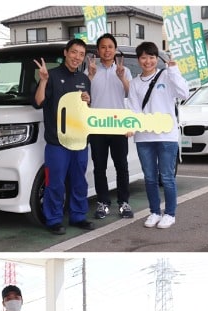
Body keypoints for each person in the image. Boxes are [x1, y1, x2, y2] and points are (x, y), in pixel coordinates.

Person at [34, 38, 95, 235]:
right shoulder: (50, 76)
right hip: (57, 142)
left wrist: (88, 100)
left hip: (79, 140)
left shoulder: (83, 80)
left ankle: (78, 216)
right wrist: (43, 80)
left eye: (81, 54)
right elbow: (38, 102)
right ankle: (53, 219)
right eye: (74, 52)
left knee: (79, 181)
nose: (77, 57)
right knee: (55, 183)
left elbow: (85, 110)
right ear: (65, 53)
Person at [128, 41, 189, 229]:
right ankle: (154, 212)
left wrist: (174, 70)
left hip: (166, 136)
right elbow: (133, 109)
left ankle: (170, 214)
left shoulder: (167, 76)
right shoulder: (135, 83)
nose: (148, 61)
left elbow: (184, 93)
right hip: (144, 138)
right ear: (139, 60)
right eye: (144, 57)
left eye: (152, 57)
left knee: (167, 177)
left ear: (157, 59)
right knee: (150, 177)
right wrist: (131, 127)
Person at [86, 33, 134, 220]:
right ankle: (103, 203)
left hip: (118, 126)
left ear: (115, 50)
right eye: (103, 47)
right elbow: (83, 97)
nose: (107, 50)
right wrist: (89, 76)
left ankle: (124, 202)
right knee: (99, 167)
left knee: (121, 166)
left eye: (110, 47)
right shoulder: (90, 71)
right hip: (97, 126)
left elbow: (132, 94)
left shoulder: (125, 71)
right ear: (98, 51)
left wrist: (122, 78)